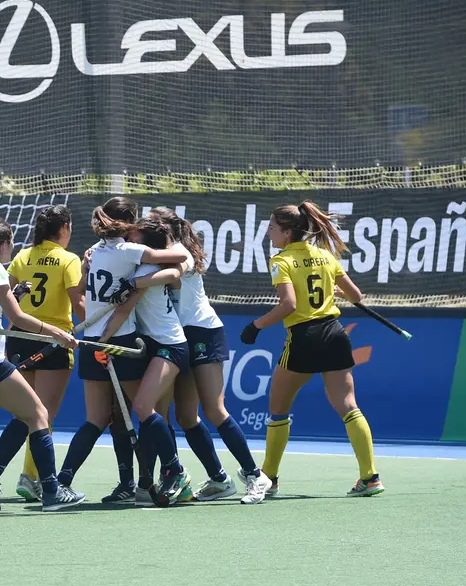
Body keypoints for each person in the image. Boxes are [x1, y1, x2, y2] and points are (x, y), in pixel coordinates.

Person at [240, 201, 383, 499]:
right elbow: (356, 295)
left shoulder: (281, 261)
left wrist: (256, 325)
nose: (268, 234)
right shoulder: (324, 255)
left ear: (288, 231)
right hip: (334, 333)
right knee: (348, 406)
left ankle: (270, 478)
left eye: (271, 228)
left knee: (278, 410)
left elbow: (289, 305)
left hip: (304, 338)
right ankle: (370, 478)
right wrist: (331, 289)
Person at [56, 198, 187, 504]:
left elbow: (88, 286)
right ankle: (170, 468)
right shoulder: (131, 252)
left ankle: (62, 482)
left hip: (96, 341)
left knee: (99, 418)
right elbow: (178, 257)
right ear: (129, 223)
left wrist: (100, 338)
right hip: (120, 342)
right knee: (141, 411)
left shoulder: (96, 253)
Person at [0, 219, 83, 512]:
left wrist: (15, 294)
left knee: (26, 415)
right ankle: (50, 490)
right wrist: (57, 332)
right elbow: (18, 318)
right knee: (39, 414)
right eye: (11, 243)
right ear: (5, 244)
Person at [148, 207, 272, 504]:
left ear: (164, 228)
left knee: (214, 410)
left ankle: (255, 475)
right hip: (176, 337)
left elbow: (169, 271)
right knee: (186, 416)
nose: (144, 227)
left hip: (202, 332)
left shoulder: (180, 253)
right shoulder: (153, 253)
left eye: (150, 223)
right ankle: (219, 479)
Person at [95, 218, 193, 505]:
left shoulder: (146, 269)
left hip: (171, 346)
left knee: (142, 407)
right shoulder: (140, 266)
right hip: (153, 346)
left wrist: (101, 341)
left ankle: (175, 469)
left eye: (133, 234)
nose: (127, 237)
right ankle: (149, 481)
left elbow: (123, 312)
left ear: (145, 241)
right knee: (149, 415)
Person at [5, 205, 84, 502]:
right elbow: (79, 305)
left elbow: (8, 298)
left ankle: (7, 472)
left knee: (28, 412)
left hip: (19, 338)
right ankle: (31, 476)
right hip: (53, 341)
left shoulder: (22, 256)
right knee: (44, 414)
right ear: (63, 228)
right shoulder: (68, 259)